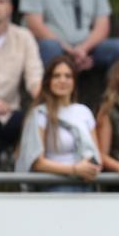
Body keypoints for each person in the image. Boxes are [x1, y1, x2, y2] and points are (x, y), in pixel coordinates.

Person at [15, 56, 101, 191]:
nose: (62, 80)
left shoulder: (84, 112)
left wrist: (92, 168)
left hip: (86, 184)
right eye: (56, 76)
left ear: (74, 82)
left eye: (68, 76)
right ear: (48, 81)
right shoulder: (40, 114)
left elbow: (96, 154)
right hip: (55, 185)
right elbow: (36, 162)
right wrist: (74, 169)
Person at [0, 0, 41, 168]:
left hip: (10, 115)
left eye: (0, 1)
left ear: (10, 7)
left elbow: (34, 75)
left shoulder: (24, 37)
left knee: (29, 120)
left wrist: (43, 97)